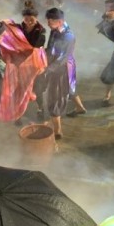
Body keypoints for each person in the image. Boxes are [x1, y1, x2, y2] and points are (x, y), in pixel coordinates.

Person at [41, 8, 76, 140]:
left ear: (60, 21)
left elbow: (63, 58)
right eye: (48, 20)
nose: (48, 23)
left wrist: (47, 69)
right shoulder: (55, 30)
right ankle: (79, 108)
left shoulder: (68, 36)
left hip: (62, 68)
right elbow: (50, 48)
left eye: (51, 21)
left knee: (56, 96)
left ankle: (58, 130)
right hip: (52, 65)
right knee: (64, 93)